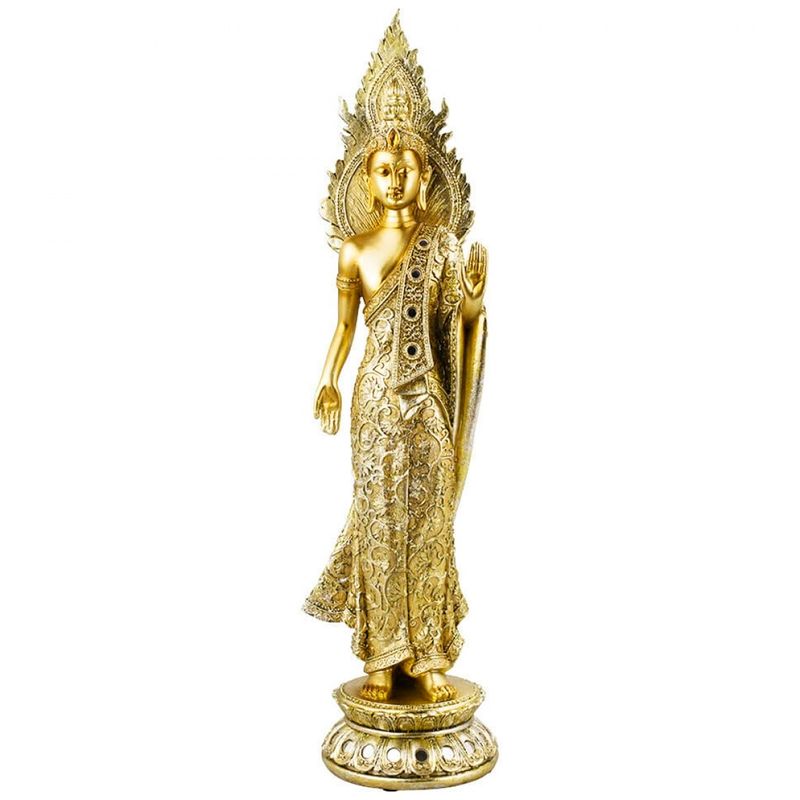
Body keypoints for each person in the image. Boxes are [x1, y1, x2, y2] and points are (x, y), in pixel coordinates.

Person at [303, 123, 488, 703]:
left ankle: (429, 655)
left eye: (405, 169)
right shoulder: (355, 249)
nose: (395, 180)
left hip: (426, 399)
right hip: (376, 402)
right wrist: (328, 378)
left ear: (426, 175)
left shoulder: (442, 246)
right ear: (366, 179)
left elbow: (454, 326)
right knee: (380, 519)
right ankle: (381, 656)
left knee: (430, 523)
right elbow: (344, 326)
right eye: (384, 170)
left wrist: (474, 303)